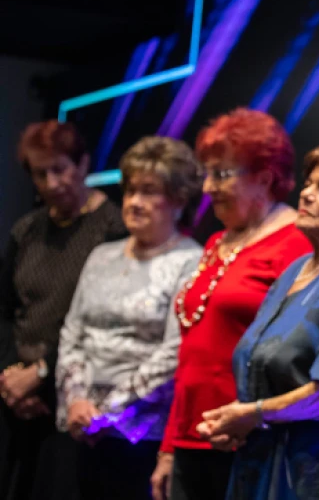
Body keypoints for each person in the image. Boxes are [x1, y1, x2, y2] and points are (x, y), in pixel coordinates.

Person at [195, 139, 319, 499]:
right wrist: (242, 423)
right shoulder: (294, 272)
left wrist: (254, 414)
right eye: (309, 184)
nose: (306, 195)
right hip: (263, 464)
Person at [151, 109, 312, 500]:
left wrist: (258, 417)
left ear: (265, 177)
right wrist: (170, 447)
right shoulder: (216, 243)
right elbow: (191, 355)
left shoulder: (297, 243)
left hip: (250, 442)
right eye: (207, 173)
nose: (207, 188)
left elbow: (298, 359)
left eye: (221, 174)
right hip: (192, 439)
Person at [56, 136, 203, 499]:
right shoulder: (101, 255)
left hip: (140, 437)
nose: (134, 202)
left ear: (179, 200)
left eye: (149, 192)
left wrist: (104, 412)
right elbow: (73, 332)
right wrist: (76, 400)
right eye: (131, 190)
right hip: (82, 426)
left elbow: (175, 352)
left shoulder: (191, 262)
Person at [0, 120, 128, 500]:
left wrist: (41, 373)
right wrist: (10, 375)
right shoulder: (26, 230)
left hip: (76, 398)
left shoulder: (113, 228)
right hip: (16, 395)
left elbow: (103, 321)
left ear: (83, 164)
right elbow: (5, 310)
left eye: (60, 169)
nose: (52, 182)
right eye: (41, 174)